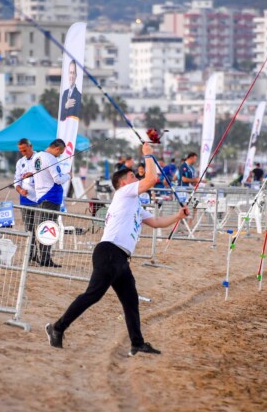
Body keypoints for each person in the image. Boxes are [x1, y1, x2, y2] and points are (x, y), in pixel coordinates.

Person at [45, 142, 190, 355]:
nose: (136, 180)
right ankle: (57, 328)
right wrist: (148, 155)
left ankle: (137, 343)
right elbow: (151, 179)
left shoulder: (135, 206)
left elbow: (157, 222)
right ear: (123, 183)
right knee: (93, 295)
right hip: (109, 252)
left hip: (121, 258)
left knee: (131, 301)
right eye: (132, 177)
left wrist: (178, 216)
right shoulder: (124, 194)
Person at [25, 139, 70, 267]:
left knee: (44, 227)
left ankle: (44, 257)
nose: (60, 155)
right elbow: (58, 179)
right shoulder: (51, 159)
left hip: (41, 197)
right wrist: (68, 176)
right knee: (49, 228)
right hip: (50, 198)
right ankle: (45, 259)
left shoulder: (37, 156)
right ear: (56, 148)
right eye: (60, 152)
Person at [14, 138, 38, 262]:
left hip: (39, 199)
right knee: (29, 229)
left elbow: (44, 174)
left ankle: (41, 255)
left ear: (31, 146)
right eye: (21, 151)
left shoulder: (39, 158)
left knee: (39, 228)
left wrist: (32, 173)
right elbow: (16, 181)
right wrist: (20, 190)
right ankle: (30, 255)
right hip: (25, 200)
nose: (23, 153)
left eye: (25, 150)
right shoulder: (20, 162)